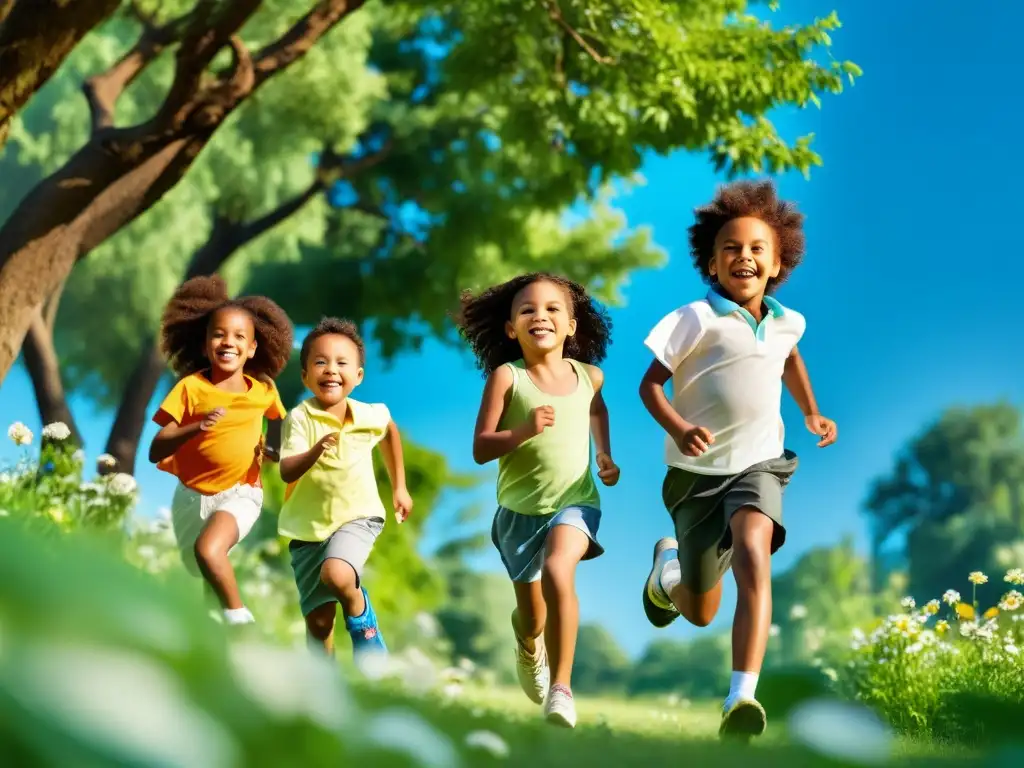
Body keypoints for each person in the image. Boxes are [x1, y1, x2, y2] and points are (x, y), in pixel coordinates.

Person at [638, 180, 837, 739]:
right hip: (694, 477)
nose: (743, 257)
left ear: (777, 262)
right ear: (710, 260)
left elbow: (790, 358)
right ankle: (668, 573)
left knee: (754, 551)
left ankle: (740, 699)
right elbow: (650, 385)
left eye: (756, 249)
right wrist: (679, 425)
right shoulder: (693, 319)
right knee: (700, 609)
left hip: (759, 465)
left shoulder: (786, 321)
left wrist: (812, 413)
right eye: (730, 248)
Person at [457, 273, 620, 729]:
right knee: (532, 617)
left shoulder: (590, 376)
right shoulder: (507, 378)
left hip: (576, 501)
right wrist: (524, 429)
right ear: (511, 328)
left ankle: (562, 690)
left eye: (552, 309)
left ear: (572, 325)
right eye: (527, 310)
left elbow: (596, 407)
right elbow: (481, 448)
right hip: (518, 514)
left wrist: (603, 454)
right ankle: (529, 645)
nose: (539, 316)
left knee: (559, 567)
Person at [149, 275, 293, 626]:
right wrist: (196, 427)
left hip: (241, 491)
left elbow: (276, 420)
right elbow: (155, 449)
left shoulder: (262, 391)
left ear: (253, 348)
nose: (228, 342)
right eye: (219, 334)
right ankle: (216, 635)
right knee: (204, 569)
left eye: (239, 336)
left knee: (208, 550)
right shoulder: (191, 388)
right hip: (190, 497)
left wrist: (272, 449)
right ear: (204, 344)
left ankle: (239, 619)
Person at [278, 318, 412, 660]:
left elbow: (390, 433)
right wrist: (313, 451)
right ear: (305, 375)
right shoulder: (300, 417)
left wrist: (400, 487)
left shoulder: (370, 414)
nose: (331, 370)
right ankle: (325, 688)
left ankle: (364, 625)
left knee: (337, 573)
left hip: (358, 516)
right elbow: (287, 468)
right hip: (308, 530)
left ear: (359, 376)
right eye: (320, 362)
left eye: (341, 363)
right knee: (319, 626)